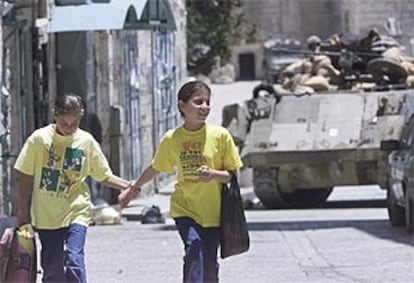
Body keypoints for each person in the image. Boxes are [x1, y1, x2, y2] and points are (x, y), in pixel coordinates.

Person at [119, 80, 243, 283]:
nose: (204, 107)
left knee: (209, 265)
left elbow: (233, 174)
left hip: (213, 212)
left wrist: (213, 174)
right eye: (198, 102)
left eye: (207, 102)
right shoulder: (173, 138)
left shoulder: (220, 136)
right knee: (193, 247)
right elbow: (156, 167)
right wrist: (133, 189)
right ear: (182, 106)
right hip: (184, 208)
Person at [14, 93, 133, 283]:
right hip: (47, 216)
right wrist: (22, 210)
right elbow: (25, 176)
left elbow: (103, 175)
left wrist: (128, 185)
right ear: (54, 115)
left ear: (81, 117)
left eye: (74, 124)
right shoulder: (39, 139)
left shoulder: (86, 141)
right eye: (63, 123)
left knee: (74, 260)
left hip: (77, 211)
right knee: (52, 270)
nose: (69, 129)